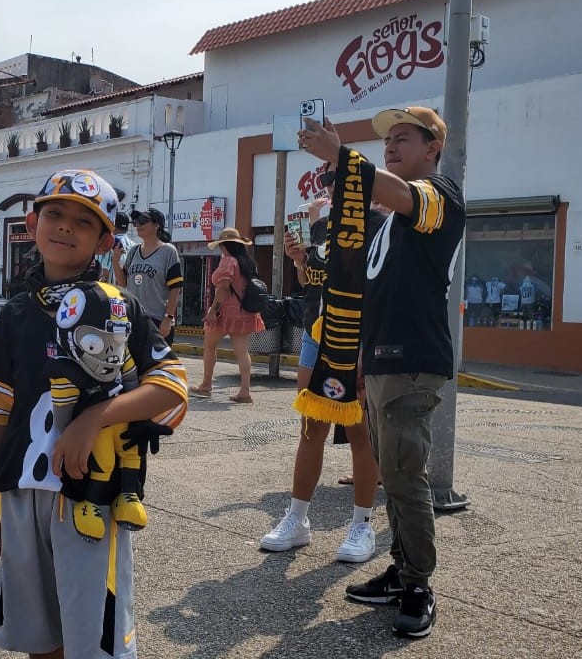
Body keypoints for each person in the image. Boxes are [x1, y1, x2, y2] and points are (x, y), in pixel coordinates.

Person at [0, 169, 188, 658]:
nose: (65, 227)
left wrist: (94, 419)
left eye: (82, 223)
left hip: (91, 498)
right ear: (32, 222)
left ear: (106, 241)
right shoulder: (15, 314)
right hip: (22, 494)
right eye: (55, 214)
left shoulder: (119, 307)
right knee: (36, 634)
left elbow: (171, 387)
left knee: (92, 640)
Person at [300, 106, 465, 638]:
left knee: (403, 475)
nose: (391, 146)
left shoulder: (440, 196)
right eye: (387, 141)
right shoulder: (388, 221)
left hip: (413, 360)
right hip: (382, 362)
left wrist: (340, 156)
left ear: (433, 147)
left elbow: (400, 193)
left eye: (404, 138)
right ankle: (401, 569)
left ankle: (418, 584)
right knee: (394, 475)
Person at [260, 184, 381, 565]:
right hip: (318, 333)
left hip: (357, 335)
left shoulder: (376, 221)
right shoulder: (322, 227)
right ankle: (297, 518)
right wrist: (299, 260)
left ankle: (362, 523)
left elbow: (378, 288)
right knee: (311, 427)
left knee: (361, 430)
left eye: (338, 177)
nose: (330, 188)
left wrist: (366, 348)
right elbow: (312, 283)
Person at [191, 228, 264, 404]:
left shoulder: (228, 261)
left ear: (224, 245)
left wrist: (213, 310)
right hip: (245, 311)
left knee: (210, 346)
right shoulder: (248, 262)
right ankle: (245, 391)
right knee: (242, 352)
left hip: (226, 311)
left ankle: (206, 384)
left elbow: (223, 287)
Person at [115, 207, 182, 343]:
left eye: (143, 221)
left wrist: (168, 318)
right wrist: (115, 261)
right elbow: (124, 284)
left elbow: (175, 288)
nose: (138, 224)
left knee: (157, 363)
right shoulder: (133, 251)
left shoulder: (168, 251)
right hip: (133, 318)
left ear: (157, 225)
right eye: (136, 221)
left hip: (157, 319)